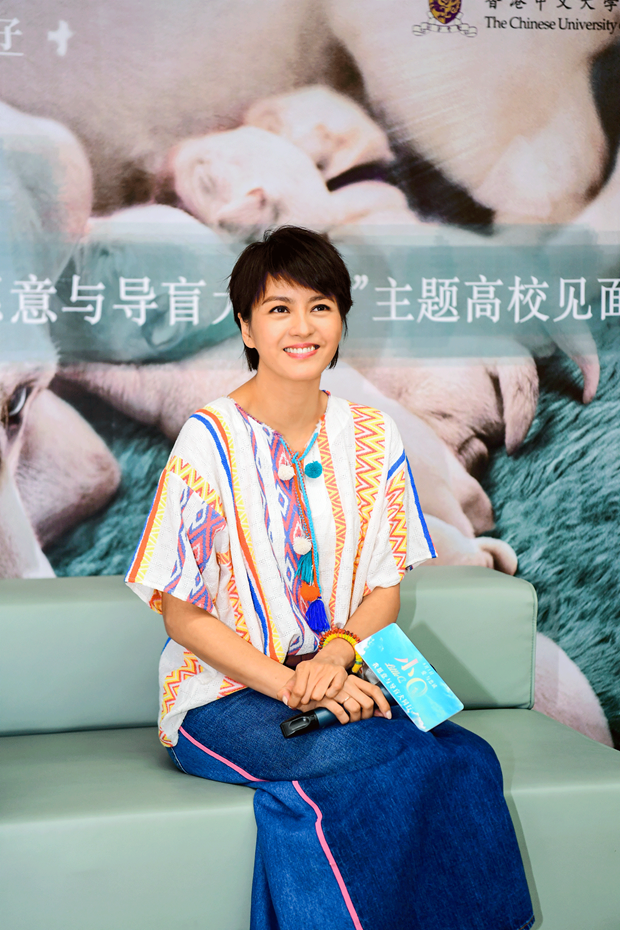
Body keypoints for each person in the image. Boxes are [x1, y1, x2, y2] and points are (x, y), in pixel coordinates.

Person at [126, 226, 534, 930]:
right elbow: (181, 614)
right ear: (246, 328)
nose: (302, 326)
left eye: (320, 306)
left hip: (348, 668)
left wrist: (336, 655)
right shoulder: (209, 438)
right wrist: (293, 684)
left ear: (342, 320)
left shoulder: (373, 434)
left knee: (467, 757)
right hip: (222, 695)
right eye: (279, 309)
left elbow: (385, 589)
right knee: (384, 756)